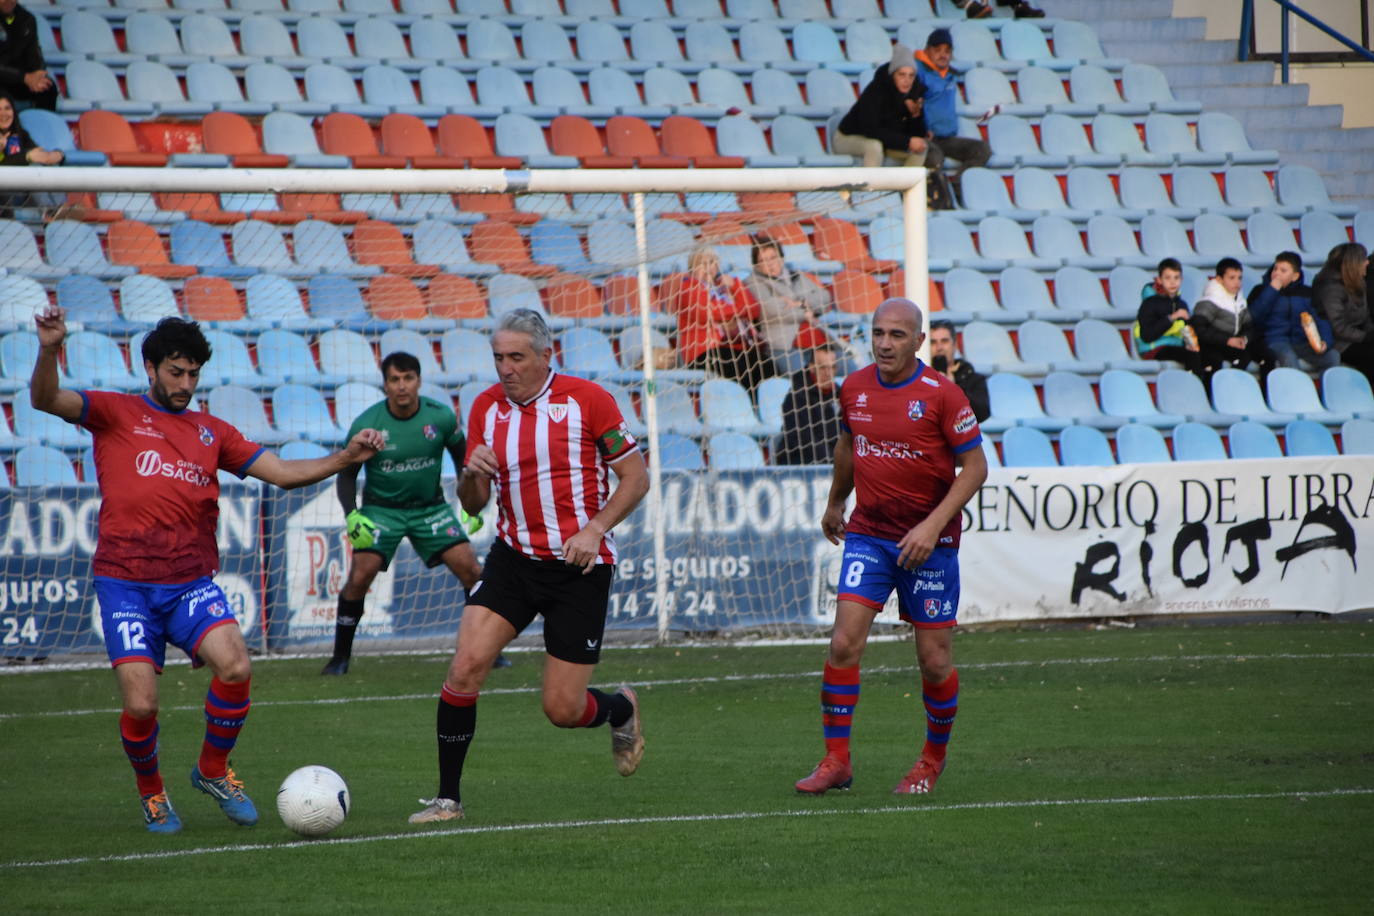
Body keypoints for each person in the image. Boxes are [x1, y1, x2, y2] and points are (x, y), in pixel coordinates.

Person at [29, 310, 383, 834]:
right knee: (142, 703)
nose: (186, 384)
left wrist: (345, 458)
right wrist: (49, 349)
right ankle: (152, 794)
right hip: (124, 583)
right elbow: (45, 399)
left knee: (236, 666)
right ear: (150, 367)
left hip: (188, 580)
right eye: (176, 372)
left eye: (194, 374)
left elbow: (283, 474)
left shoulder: (210, 432)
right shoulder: (115, 412)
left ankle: (212, 771)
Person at [408, 308, 650, 824]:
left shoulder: (589, 402)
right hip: (513, 561)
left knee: (563, 710)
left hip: (578, 569)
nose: (505, 368)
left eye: (517, 357)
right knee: (465, 667)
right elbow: (474, 504)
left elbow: (635, 477)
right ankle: (447, 799)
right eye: (498, 357)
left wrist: (593, 529)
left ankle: (621, 709)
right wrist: (471, 475)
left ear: (546, 355)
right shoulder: (485, 409)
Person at [795, 297, 988, 798]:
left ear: (918, 341)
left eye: (897, 335)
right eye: (878, 333)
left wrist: (932, 526)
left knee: (934, 661)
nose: (884, 343)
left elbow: (976, 468)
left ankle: (931, 761)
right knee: (842, 643)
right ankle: (836, 761)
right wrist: (836, 501)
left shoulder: (943, 395)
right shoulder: (854, 387)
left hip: (931, 545)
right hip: (870, 536)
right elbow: (847, 445)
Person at [321, 351, 506, 675]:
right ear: (385, 385)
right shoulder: (368, 423)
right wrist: (352, 515)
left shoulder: (441, 417)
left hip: (430, 509)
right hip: (381, 510)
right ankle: (340, 658)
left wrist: (473, 504)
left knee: (473, 572)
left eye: (408, 378)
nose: (402, 386)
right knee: (360, 575)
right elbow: (347, 473)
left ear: (419, 381)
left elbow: (466, 460)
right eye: (395, 379)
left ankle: (489, 650)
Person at [675, 245, 773, 395]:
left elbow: (753, 310)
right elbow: (707, 313)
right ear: (691, 269)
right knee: (740, 368)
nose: (708, 268)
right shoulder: (688, 287)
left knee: (767, 365)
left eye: (712, 262)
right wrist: (737, 312)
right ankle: (746, 411)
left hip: (736, 347)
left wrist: (735, 286)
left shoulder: (725, 287)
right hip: (704, 352)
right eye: (702, 263)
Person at [832, 43, 930, 169]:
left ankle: (904, 187)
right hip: (847, 138)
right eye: (902, 74)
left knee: (920, 148)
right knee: (874, 146)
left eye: (911, 75)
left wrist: (916, 116)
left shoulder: (914, 93)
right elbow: (871, 129)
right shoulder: (876, 91)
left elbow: (915, 135)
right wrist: (906, 142)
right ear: (893, 74)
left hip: (883, 141)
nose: (907, 80)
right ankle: (871, 188)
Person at [745, 236, 833, 375]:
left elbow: (825, 297)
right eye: (763, 260)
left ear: (781, 258)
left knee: (850, 368)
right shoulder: (752, 282)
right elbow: (770, 310)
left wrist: (800, 303)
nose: (770, 264)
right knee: (802, 380)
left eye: (773, 257)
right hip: (782, 345)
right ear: (756, 265)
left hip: (815, 339)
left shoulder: (797, 276)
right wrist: (805, 313)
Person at [913, 29, 992, 179]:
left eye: (947, 51)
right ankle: (934, 200)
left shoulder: (949, 75)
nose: (943, 55)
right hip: (924, 137)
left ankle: (956, 188)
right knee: (935, 157)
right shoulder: (917, 73)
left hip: (945, 138)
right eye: (937, 50)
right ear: (927, 50)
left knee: (982, 149)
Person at [1247, 251, 1340, 373]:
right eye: (1275, 269)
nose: (1276, 273)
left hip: (1302, 342)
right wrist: (1271, 291)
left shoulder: (1307, 293)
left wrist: (1325, 342)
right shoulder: (1260, 290)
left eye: (1283, 271)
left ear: (1295, 276)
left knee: (1332, 356)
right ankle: (1295, 392)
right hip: (1275, 341)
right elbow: (1253, 316)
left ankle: (1326, 391)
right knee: (1288, 358)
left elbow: (1322, 319)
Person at [1189, 257, 1265, 376]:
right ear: (1219, 279)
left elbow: (1249, 327)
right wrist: (1227, 340)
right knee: (1214, 360)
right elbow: (1199, 329)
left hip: (1231, 343)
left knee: (1250, 356)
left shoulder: (1240, 301)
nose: (1237, 282)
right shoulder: (1209, 301)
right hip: (1210, 345)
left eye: (1239, 278)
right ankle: (1211, 393)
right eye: (1231, 278)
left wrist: (1244, 339)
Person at [1313, 242, 1374, 383]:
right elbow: (1337, 327)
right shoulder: (1330, 288)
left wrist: (1370, 333)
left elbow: (1365, 317)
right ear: (1353, 263)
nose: (1367, 263)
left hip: (1357, 337)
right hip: (1338, 343)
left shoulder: (1358, 282)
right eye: (1363, 259)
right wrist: (1366, 337)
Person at [1133, 257, 1205, 376]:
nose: (1173, 282)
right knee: (1191, 357)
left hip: (1176, 345)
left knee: (1206, 353)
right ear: (1159, 280)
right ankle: (1195, 388)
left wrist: (1190, 343)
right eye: (1168, 278)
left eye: (1176, 278)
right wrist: (1172, 318)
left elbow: (1186, 329)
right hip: (1154, 348)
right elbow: (1147, 335)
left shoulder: (1181, 304)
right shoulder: (1149, 303)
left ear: (1181, 280)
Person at [776, 344, 843, 466]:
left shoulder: (840, 395)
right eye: (823, 368)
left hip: (832, 464)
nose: (828, 373)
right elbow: (803, 439)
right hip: (799, 466)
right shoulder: (797, 396)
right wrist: (832, 462)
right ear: (811, 368)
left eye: (832, 367)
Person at [927, 319, 990, 422]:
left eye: (944, 341)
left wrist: (953, 389)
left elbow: (982, 413)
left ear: (955, 345)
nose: (939, 348)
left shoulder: (973, 379)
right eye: (933, 342)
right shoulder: (917, 377)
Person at [0, 0, 57, 111]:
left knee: (47, 87)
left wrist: (38, 74)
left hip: (16, 79)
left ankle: (43, 126)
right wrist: (24, 77)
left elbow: (34, 54)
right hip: (9, 76)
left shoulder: (26, 19)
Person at [0, 92, 60, 164]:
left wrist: (58, 154)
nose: (3, 113)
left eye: (7, 108)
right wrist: (27, 157)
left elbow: (37, 153)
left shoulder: (21, 134)